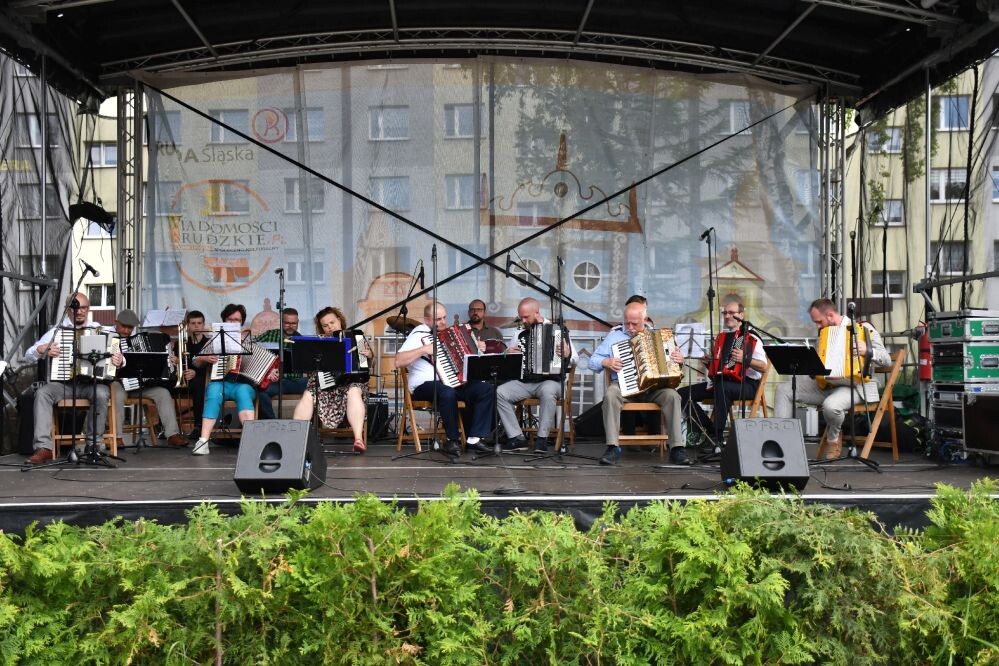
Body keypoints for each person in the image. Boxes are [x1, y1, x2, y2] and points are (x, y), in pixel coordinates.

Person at [774, 298, 891, 458]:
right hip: (826, 385)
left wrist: (868, 350)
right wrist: (810, 364)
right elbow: (821, 364)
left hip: (856, 386)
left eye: (819, 321)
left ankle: (833, 438)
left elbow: (887, 359)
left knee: (831, 406)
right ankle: (780, 445)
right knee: (784, 389)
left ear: (830, 315)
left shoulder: (863, 328)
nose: (817, 326)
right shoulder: (824, 334)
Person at [588, 301, 689, 465]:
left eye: (634, 323)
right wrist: (606, 361)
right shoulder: (614, 336)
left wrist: (680, 360)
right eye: (627, 322)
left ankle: (677, 448)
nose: (630, 327)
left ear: (645, 319)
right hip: (624, 388)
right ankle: (613, 447)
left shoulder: (659, 337)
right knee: (611, 394)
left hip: (654, 389)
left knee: (672, 395)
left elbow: (674, 366)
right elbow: (592, 361)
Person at [22, 292, 117, 464]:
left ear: (88, 309)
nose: (79, 311)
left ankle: (93, 446)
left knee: (102, 393)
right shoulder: (56, 332)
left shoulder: (101, 330)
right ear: (67, 310)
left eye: (83, 307)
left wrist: (120, 360)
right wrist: (41, 349)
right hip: (64, 384)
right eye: (75, 308)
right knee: (43, 393)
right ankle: (43, 448)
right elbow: (28, 355)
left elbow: (119, 356)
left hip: (91, 384)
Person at [395, 302, 496, 457]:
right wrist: (423, 349)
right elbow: (398, 361)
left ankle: (474, 439)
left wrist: (477, 348)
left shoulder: (449, 334)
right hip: (423, 386)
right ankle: (451, 440)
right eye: (438, 319)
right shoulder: (418, 334)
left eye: (444, 317)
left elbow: (466, 360)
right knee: (447, 393)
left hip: (451, 383)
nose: (443, 322)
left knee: (485, 389)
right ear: (427, 320)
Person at [677, 300, 768, 446]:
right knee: (681, 395)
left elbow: (763, 366)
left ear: (741, 315)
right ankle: (711, 431)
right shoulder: (722, 338)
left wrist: (745, 359)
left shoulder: (752, 337)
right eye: (725, 313)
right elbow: (720, 370)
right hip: (723, 383)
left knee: (723, 387)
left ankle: (716, 438)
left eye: (731, 313)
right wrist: (708, 363)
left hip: (749, 385)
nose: (727, 316)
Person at [191, 303, 278, 456]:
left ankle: (251, 441)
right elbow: (195, 362)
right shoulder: (214, 341)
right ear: (224, 320)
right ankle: (203, 441)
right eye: (230, 319)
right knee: (213, 392)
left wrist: (271, 374)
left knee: (244, 392)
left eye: (237, 320)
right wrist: (204, 358)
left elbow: (264, 368)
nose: (233, 323)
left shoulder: (250, 343)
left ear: (241, 322)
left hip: (243, 385)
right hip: (220, 383)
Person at [496, 297, 575, 453]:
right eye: (521, 317)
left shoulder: (558, 331)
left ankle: (542, 439)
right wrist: (508, 353)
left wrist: (567, 353)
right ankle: (517, 437)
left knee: (548, 390)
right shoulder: (520, 334)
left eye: (526, 317)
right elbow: (510, 363)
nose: (523, 321)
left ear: (537, 313)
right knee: (500, 392)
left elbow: (574, 359)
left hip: (551, 382)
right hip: (526, 382)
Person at [292, 307, 373, 453]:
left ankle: (358, 439)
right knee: (309, 394)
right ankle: (297, 439)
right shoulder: (319, 342)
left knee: (354, 391)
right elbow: (310, 368)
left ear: (339, 320)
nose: (330, 327)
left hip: (351, 382)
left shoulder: (356, 337)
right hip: (326, 384)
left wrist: (369, 355)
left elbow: (367, 366)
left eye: (332, 322)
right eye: (325, 325)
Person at [107, 308, 187, 448]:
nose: (126, 330)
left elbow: (154, 364)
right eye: (124, 326)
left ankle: (172, 434)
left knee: (163, 393)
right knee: (117, 395)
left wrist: (169, 361)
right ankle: (116, 437)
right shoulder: (109, 337)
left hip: (140, 384)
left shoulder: (138, 338)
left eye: (130, 327)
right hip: (117, 383)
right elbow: (106, 369)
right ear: (116, 322)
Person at [255, 307, 308, 419]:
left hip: (295, 381)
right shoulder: (270, 335)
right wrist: (268, 371)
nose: (290, 326)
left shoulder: (302, 340)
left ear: (298, 322)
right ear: (281, 322)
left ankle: (308, 423)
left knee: (316, 388)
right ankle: (271, 423)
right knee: (261, 391)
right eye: (287, 323)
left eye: (293, 323)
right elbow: (254, 349)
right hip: (275, 383)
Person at [179, 310, 209, 429]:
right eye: (193, 323)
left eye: (199, 323)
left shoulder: (209, 343)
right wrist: (177, 363)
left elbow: (210, 367)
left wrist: (195, 372)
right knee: (163, 387)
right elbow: (179, 364)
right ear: (188, 325)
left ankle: (198, 425)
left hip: (201, 379)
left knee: (198, 384)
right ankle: (162, 426)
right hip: (183, 378)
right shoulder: (181, 343)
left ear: (203, 325)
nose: (196, 326)